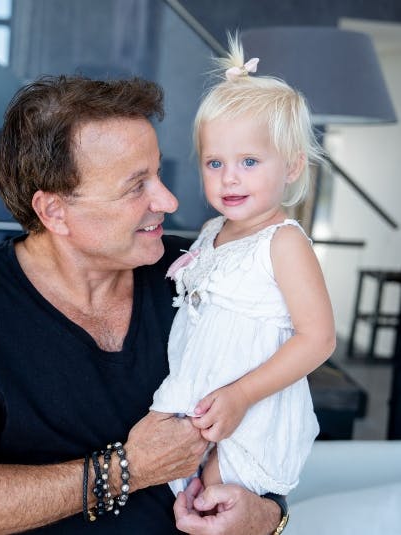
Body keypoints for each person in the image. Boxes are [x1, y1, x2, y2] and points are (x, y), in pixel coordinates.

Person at [0, 75, 285, 534]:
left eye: (158, 174)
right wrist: (127, 468)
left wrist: (268, 516)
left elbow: (267, 426)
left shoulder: (201, 269)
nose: (168, 200)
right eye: (135, 186)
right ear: (54, 211)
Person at [151, 33, 336, 499]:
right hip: (198, 398)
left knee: (220, 503)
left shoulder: (284, 243)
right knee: (177, 500)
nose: (229, 177)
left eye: (249, 161)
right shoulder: (213, 229)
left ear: (292, 167)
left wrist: (242, 395)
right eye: (214, 163)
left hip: (252, 409)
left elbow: (318, 339)